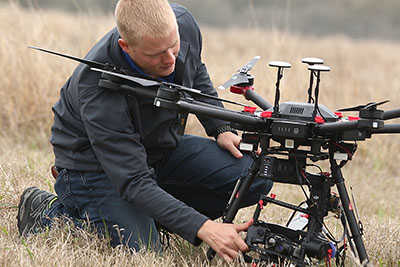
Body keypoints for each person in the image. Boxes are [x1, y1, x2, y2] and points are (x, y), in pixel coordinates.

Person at [17, 0, 272, 262]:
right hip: (95, 168)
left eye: (174, 47)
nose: (171, 59)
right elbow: (133, 180)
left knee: (255, 177)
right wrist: (205, 228)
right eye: (157, 54)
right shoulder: (97, 87)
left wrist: (221, 128)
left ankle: (150, 211)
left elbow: (196, 71)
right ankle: (53, 212)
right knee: (146, 252)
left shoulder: (183, 23)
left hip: (158, 149)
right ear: (125, 46)